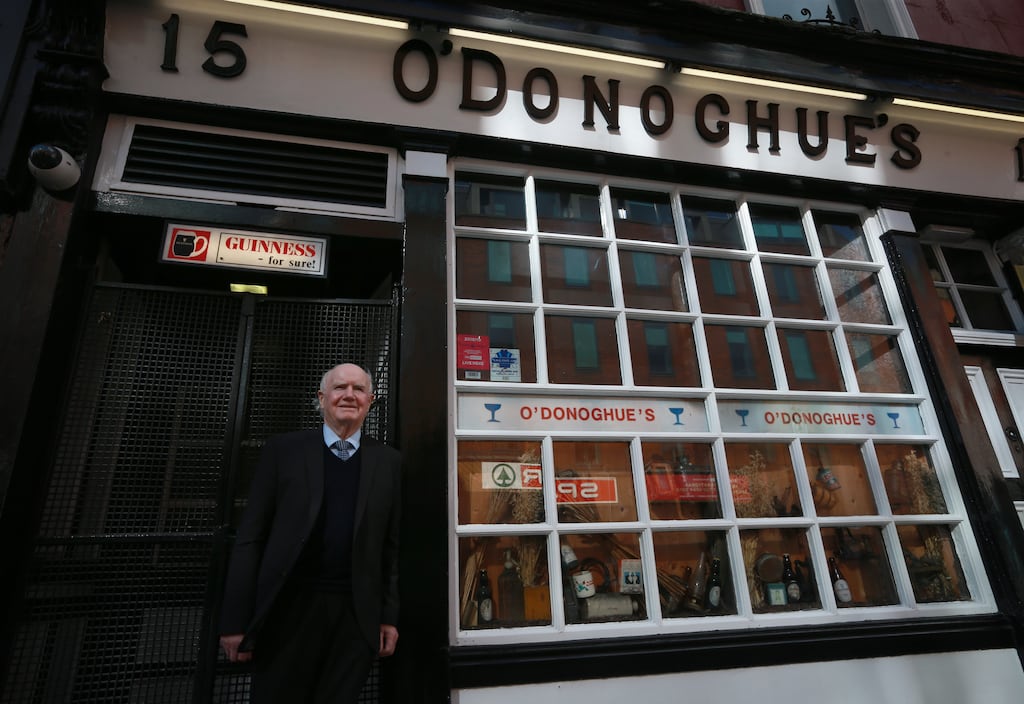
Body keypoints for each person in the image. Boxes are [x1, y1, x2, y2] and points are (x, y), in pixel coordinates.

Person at [219, 362, 401, 703]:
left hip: (355, 617)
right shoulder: (283, 451)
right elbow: (250, 538)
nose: (349, 395)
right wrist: (235, 621)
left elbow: (390, 549)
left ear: (371, 400)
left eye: (359, 389)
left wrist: (388, 617)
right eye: (340, 388)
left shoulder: (388, 462)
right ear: (322, 398)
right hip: (288, 612)